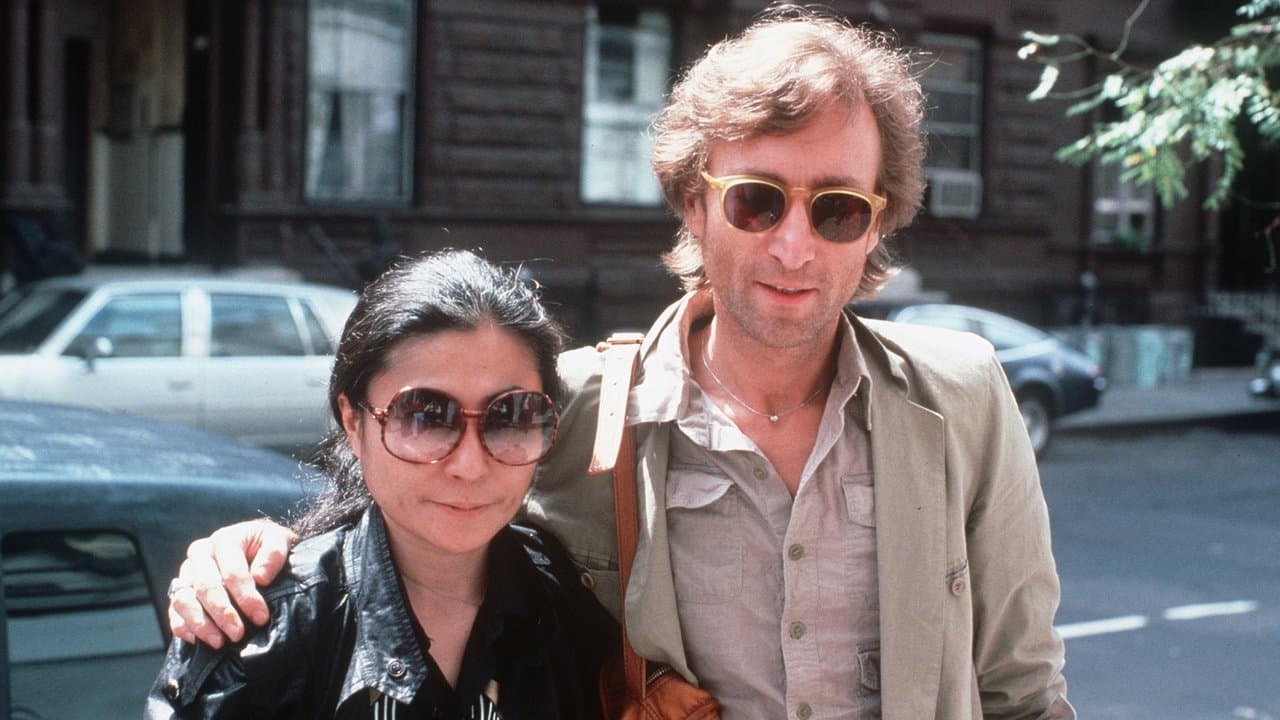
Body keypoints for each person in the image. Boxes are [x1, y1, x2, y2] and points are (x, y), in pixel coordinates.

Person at [165, 8, 1074, 719]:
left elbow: (1022, 689)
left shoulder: (963, 396)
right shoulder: (576, 408)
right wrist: (259, 555)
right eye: (757, 201)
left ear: (876, 223)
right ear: (693, 204)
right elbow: (422, 500)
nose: (795, 246)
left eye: (837, 209)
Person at [148, 250, 615, 719]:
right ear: (353, 422)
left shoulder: (565, 606)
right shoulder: (259, 630)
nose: (470, 466)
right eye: (426, 416)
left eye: (510, 416)